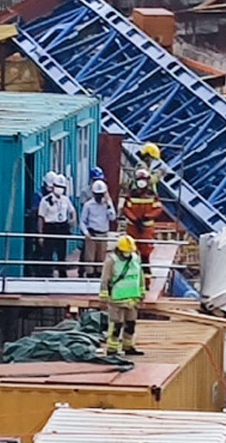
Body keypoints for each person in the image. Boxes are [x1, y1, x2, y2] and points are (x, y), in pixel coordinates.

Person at [99, 235, 146, 356]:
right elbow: (105, 279)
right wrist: (104, 294)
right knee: (116, 325)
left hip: (132, 298)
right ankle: (112, 349)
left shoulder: (135, 258)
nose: (128, 254)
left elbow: (140, 275)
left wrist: (142, 291)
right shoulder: (112, 261)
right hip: (116, 298)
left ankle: (128, 346)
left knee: (131, 324)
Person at [124, 143, 164, 274]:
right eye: (152, 158)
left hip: (143, 225)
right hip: (139, 225)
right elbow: (150, 180)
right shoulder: (142, 168)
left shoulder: (147, 194)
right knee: (136, 250)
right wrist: (159, 175)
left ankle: (142, 274)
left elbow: (157, 208)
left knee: (144, 252)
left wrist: (145, 217)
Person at [37, 174, 76, 278]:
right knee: (48, 253)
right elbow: (41, 218)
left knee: (61, 253)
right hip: (50, 227)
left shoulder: (65, 200)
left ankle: (62, 274)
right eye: (58, 187)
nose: (60, 189)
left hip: (62, 227)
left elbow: (72, 211)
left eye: (62, 187)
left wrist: (73, 219)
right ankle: (47, 274)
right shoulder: (45, 200)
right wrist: (40, 235)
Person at [80, 180, 117, 278]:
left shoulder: (107, 205)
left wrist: (109, 205)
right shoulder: (88, 205)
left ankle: (99, 274)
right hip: (92, 233)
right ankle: (90, 274)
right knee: (90, 257)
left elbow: (113, 217)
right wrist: (86, 233)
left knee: (101, 256)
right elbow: (83, 221)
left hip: (103, 233)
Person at [26, 171, 56, 276]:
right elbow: (35, 211)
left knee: (49, 250)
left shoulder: (55, 196)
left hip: (49, 226)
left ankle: (47, 271)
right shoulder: (38, 195)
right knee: (37, 249)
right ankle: (33, 270)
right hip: (36, 224)